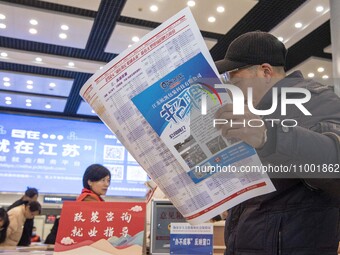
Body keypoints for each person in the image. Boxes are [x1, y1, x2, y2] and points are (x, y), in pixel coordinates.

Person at [214, 31, 340, 255]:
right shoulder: (254, 115)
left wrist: (269, 136)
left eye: (236, 81)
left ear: (265, 72)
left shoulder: (316, 100)